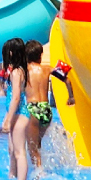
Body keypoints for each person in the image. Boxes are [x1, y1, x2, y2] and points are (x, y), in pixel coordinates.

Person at [0, 37, 31, 180]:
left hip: (19, 115)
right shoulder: (19, 70)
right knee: (12, 149)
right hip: (17, 115)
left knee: (19, 152)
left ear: (11, 53)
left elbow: (16, 97)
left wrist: (8, 118)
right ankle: (12, 175)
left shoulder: (16, 73)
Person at [24, 39, 52, 167]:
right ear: (40, 55)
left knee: (32, 148)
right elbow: (66, 78)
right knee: (38, 144)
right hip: (47, 110)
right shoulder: (47, 69)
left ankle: (39, 173)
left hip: (33, 109)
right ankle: (40, 168)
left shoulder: (25, 71)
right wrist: (71, 96)